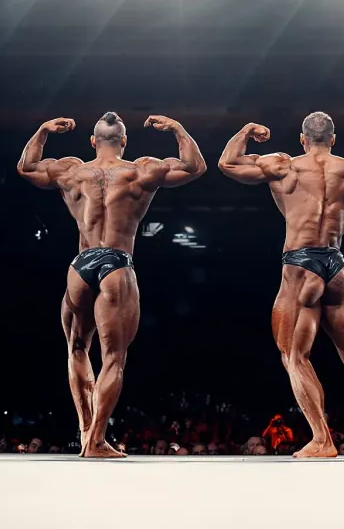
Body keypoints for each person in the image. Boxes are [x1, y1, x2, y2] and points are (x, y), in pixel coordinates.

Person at [218, 113, 344, 458]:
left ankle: (322, 439)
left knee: (294, 355)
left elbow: (228, 163)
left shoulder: (284, 166)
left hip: (298, 265)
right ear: (333, 139)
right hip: (335, 263)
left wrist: (247, 131)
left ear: (303, 140)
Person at [17, 112, 206, 458]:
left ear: (93, 142)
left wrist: (43, 130)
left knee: (76, 349)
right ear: (124, 142)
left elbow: (26, 167)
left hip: (80, 265)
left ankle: (86, 429)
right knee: (114, 358)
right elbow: (195, 167)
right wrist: (178, 129)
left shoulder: (72, 170)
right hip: (116, 263)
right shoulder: (139, 169)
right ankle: (96, 440)